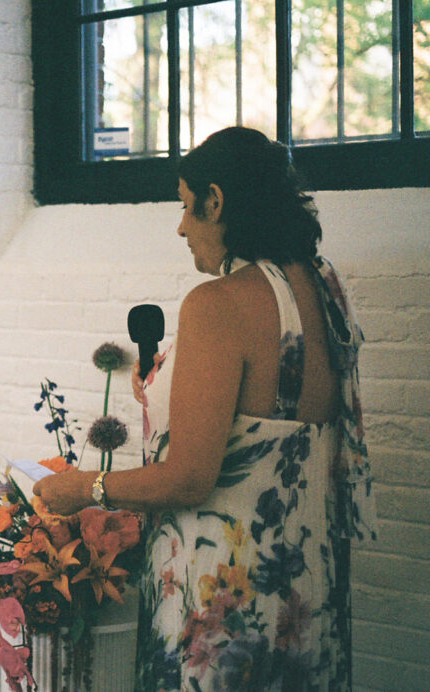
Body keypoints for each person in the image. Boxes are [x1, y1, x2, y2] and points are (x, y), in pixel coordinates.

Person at [33, 127, 376, 690]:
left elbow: (192, 478)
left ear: (215, 200)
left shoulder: (217, 303)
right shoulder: (323, 285)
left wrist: (88, 487)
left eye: (186, 207)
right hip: (306, 592)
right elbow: (271, 412)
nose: (181, 226)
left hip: (223, 600)